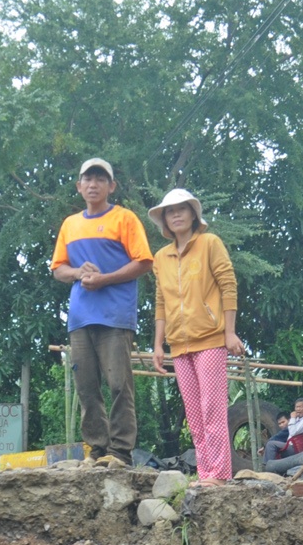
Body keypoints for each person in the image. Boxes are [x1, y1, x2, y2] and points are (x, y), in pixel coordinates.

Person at [51, 158, 154, 464]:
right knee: (86, 387)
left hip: (116, 316)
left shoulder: (124, 219)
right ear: (79, 186)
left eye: (100, 179)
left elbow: (144, 262)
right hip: (80, 317)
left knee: (119, 384)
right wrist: (78, 273)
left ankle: (120, 452)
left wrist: (104, 279)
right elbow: (58, 269)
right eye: (88, 179)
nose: (93, 184)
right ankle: (97, 450)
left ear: (112, 186)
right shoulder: (70, 224)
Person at [149, 187, 243, 487]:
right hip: (179, 345)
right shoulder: (161, 257)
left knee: (212, 408)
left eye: (181, 208)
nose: (175, 214)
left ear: (193, 213)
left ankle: (219, 474)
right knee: (193, 413)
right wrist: (157, 344)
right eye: (169, 210)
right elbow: (161, 301)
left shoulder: (209, 243)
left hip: (211, 340)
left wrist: (229, 332)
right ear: (164, 219)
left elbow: (228, 285)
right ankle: (205, 473)